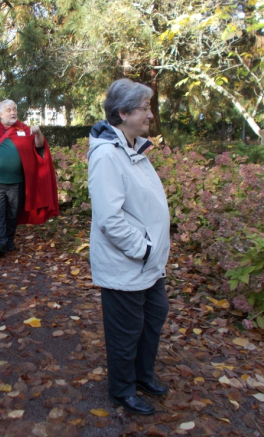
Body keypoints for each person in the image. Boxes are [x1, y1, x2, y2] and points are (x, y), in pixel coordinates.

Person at [87, 79, 170, 415]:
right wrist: (145, 248)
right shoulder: (107, 155)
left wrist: (154, 251)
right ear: (123, 113)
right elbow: (110, 218)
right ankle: (122, 389)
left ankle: (142, 377)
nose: (150, 114)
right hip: (128, 262)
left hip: (149, 263)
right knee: (126, 331)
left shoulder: (133, 148)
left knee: (153, 319)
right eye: (143, 108)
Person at [0, 100, 58, 256]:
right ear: (0, 114)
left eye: (14, 110)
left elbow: (39, 146)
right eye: (8, 110)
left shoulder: (24, 129)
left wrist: (38, 133)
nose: (13, 112)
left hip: (17, 181)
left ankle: (9, 240)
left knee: (13, 213)